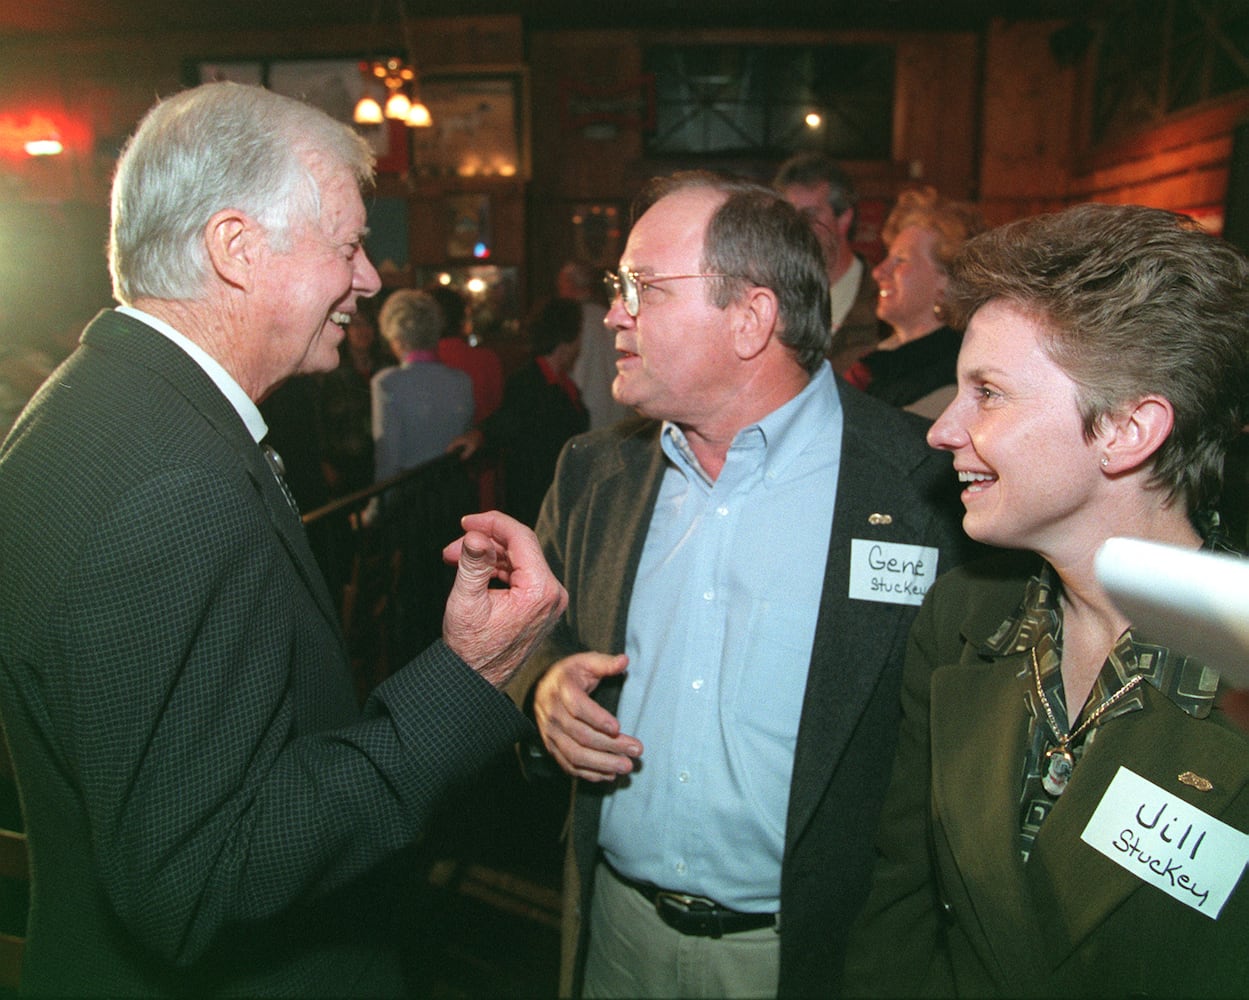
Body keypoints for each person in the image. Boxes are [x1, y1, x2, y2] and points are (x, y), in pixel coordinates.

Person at [0, 81, 567, 996]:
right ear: (237, 247)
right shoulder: (174, 482)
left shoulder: (88, 401)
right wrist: (468, 676)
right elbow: (202, 876)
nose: (371, 278)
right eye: (347, 245)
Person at [513, 170, 977, 998]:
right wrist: (543, 684)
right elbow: (538, 636)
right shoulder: (594, 472)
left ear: (752, 317)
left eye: (643, 288)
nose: (614, 312)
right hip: (613, 931)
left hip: (811, 957)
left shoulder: (923, 489)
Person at [844, 203, 1249, 996]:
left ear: (1127, 430)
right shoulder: (962, 620)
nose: (942, 430)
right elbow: (900, 906)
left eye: (987, 393)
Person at [448, 297, 590, 528]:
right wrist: (480, 435)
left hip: (555, 500)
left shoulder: (562, 383)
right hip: (535, 505)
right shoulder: (528, 380)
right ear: (566, 339)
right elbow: (506, 420)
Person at [845, 185, 985, 418]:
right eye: (887, 257)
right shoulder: (880, 359)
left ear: (946, 282)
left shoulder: (955, 379)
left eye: (900, 260)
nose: (879, 272)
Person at [773, 152, 881, 375]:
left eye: (809, 215)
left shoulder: (883, 301)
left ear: (844, 219)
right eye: (789, 216)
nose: (797, 227)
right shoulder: (771, 300)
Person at [371, 288, 474, 482]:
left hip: (411, 498)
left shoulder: (387, 383)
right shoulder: (462, 380)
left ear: (397, 338)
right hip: (455, 493)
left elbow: (388, 459)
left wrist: (373, 510)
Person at [559, 260, 630, 430]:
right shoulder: (611, 317)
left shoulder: (572, 321)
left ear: (570, 285)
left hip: (584, 412)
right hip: (618, 413)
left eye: (562, 285)